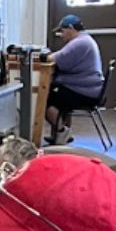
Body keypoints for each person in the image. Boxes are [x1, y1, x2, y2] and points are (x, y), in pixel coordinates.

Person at [44, 15, 104, 145]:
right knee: (56, 94)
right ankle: (60, 133)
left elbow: (55, 59)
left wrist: (42, 55)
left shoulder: (79, 43)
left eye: (63, 31)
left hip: (85, 92)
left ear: (71, 28)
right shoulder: (85, 40)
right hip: (89, 89)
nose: (61, 35)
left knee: (44, 100)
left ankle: (61, 131)